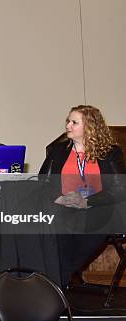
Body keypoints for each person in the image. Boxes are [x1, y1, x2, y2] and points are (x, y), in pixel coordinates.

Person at [39, 105, 125, 287]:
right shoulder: (58, 150)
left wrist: (87, 202)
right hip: (62, 208)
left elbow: (119, 188)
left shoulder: (109, 152)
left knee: (75, 247)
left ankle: (55, 282)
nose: (68, 125)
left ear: (89, 126)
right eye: (68, 121)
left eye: (74, 122)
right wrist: (59, 198)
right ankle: (56, 285)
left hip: (97, 209)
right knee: (55, 230)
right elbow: (43, 182)